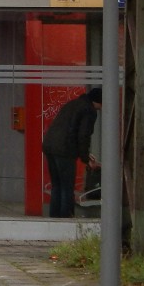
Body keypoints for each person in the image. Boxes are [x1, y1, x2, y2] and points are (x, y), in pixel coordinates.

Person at [42, 88, 101, 218]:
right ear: (98, 101)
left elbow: (69, 130)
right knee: (67, 187)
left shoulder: (72, 104)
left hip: (50, 146)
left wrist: (85, 154)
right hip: (65, 150)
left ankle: (55, 218)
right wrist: (86, 158)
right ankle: (65, 219)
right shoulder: (89, 110)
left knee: (57, 185)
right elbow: (83, 136)